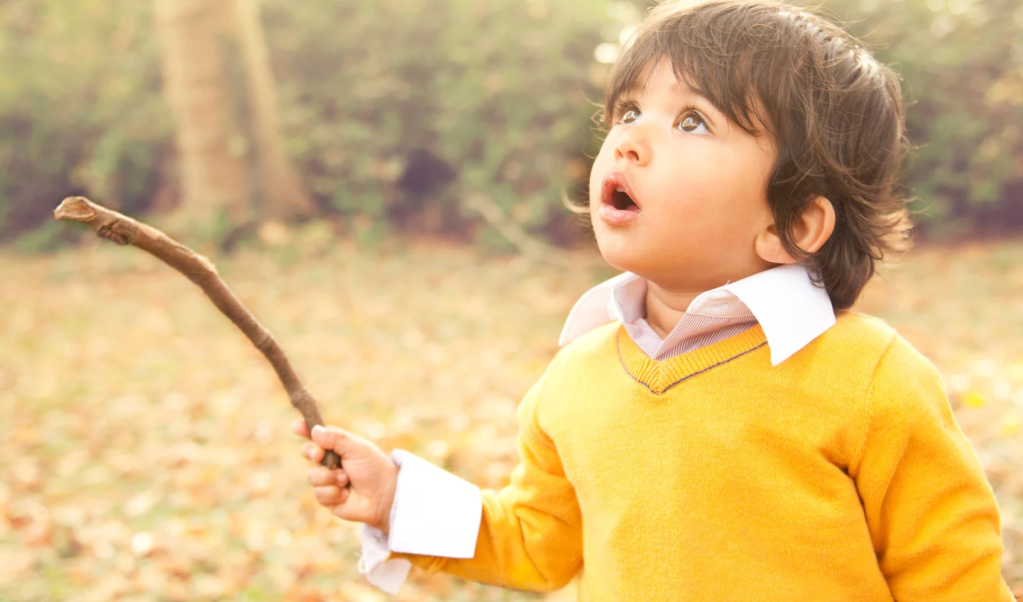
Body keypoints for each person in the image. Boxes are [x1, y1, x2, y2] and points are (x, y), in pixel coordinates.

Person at [292, 1, 1015, 599]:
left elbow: (949, 572)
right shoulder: (575, 379)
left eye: (691, 120)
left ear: (790, 224)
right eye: (628, 111)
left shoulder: (866, 381)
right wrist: (397, 501)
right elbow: (537, 540)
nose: (630, 138)